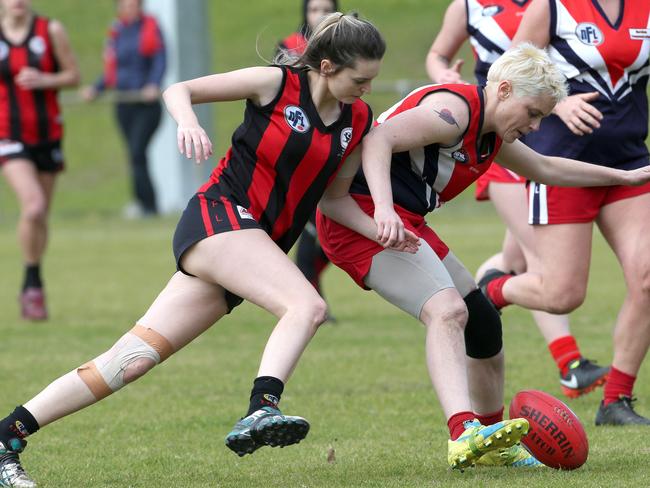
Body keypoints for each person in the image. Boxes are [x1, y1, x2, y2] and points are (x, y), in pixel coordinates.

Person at [0, 12, 401, 488]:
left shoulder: (357, 118)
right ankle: (262, 407)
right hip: (219, 218)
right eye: (361, 79)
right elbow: (178, 90)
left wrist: (383, 224)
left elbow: (332, 200)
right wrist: (188, 123)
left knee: (130, 359)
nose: (367, 90)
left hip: (252, 245)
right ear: (329, 66)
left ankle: (7, 435)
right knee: (307, 305)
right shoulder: (275, 82)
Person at [316, 42, 650, 469]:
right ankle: (464, 432)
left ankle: (493, 446)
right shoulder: (454, 113)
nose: (534, 126)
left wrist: (624, 176)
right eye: (533, 113)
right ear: (505, 90)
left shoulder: (490, 131)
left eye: (542, 118)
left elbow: (547, 168)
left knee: (484, 325)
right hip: (360, 221)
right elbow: (379, 140)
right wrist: (382, 209)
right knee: (448, 311)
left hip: (404, 221)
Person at [425, 0, 609, 399]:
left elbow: (545, 81)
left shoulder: (553, 6)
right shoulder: (469, 7)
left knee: (515, 260)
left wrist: (558, 104)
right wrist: (443, 74)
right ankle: (570, 363)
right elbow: (438, 52)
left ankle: (487, 291)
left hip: (532, 135)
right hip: (491, 137)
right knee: (540, 260)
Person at [479, 0, 650, 426]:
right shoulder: (553, 6)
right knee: (562, 295)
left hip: (629, 164)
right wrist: (559, 104)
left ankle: (616, 400)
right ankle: (492, 293)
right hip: (562, 165)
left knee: (648, 277)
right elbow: (511, 72)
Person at [0, 0, 80, 321]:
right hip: (9, 134)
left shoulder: (50, 30)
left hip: (47, 135)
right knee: (32, 206)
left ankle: (34, 276)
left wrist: (44, 80)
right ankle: (31, 284)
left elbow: (74, 75)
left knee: (40, 215)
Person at [279, 0, 339, 320]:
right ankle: (310, 298)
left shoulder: (346, 46)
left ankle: (308, 290)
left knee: (331, 224)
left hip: (335, 143)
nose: (320, 15)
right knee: (310, 224)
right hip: (301, 146)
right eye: (314, 9)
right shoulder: (290, 47)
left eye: (326, 9)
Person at [81, 0, 166, 218]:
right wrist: (96, 89)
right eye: (124, 5)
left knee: (138, 152)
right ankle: (141, 203)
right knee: (134, 155)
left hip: (145, 104)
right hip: (124, 103)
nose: (129, 9)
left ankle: (149, 206)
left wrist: (153, 84)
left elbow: (160, 60)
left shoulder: (151, 28)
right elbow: (112, 69)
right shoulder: (117, 31)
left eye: (133, 5)